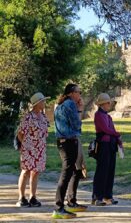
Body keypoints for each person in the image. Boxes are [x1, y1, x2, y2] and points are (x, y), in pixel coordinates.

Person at [52, 84, 87, 219]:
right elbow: (77, 124)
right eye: (79, 92)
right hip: (69, 142)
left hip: (62, 141)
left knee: (70, 171)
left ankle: (67, 203)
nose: (80, 95)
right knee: (67, 173)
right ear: (72, 93)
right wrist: (80, 109)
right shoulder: (70, 104)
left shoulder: (60, 104)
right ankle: (58, 207)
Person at [16, 93, 49, 207]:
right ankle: (21, 197)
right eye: (43, 101)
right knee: (25, 171)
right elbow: (20, 133)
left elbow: (45, 133)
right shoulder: (28, 117)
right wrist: (25, 145)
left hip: (40, 149)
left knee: (35, 172)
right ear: (37, 103)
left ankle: (33, 197)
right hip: (28, 150)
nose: (44, 103)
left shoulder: (44, 117)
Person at [92, 93, 123, 206]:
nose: (109, 104)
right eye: (108, 102)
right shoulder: (98, 115)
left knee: (110, 170)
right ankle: (97, 197)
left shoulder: (108, 116)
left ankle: (107, 196)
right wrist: (117, 134)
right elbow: (105, 129)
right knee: (102, 171)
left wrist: (118, 140)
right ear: (102, 104)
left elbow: (112, 130)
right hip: (103, 145)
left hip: (111, 145)